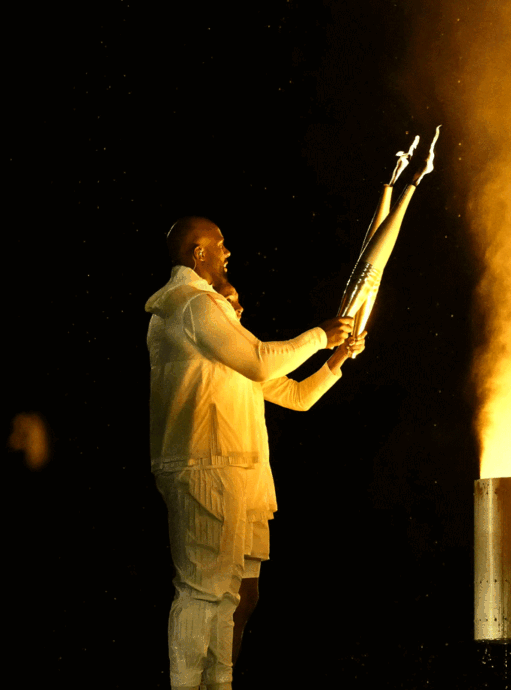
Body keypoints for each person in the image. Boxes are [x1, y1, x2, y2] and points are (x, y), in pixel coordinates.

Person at [146, 216, 357, 690]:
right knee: (204, 589)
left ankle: (218, 683)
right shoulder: (192, 304)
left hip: (234, 469)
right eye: (220, 245)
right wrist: (321, 334)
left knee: (241, 593)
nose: (227, 253)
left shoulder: (215, 332)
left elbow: (294, 395)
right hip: (205, 464)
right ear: (198, 253)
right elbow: (261, 359)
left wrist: (335, 359)